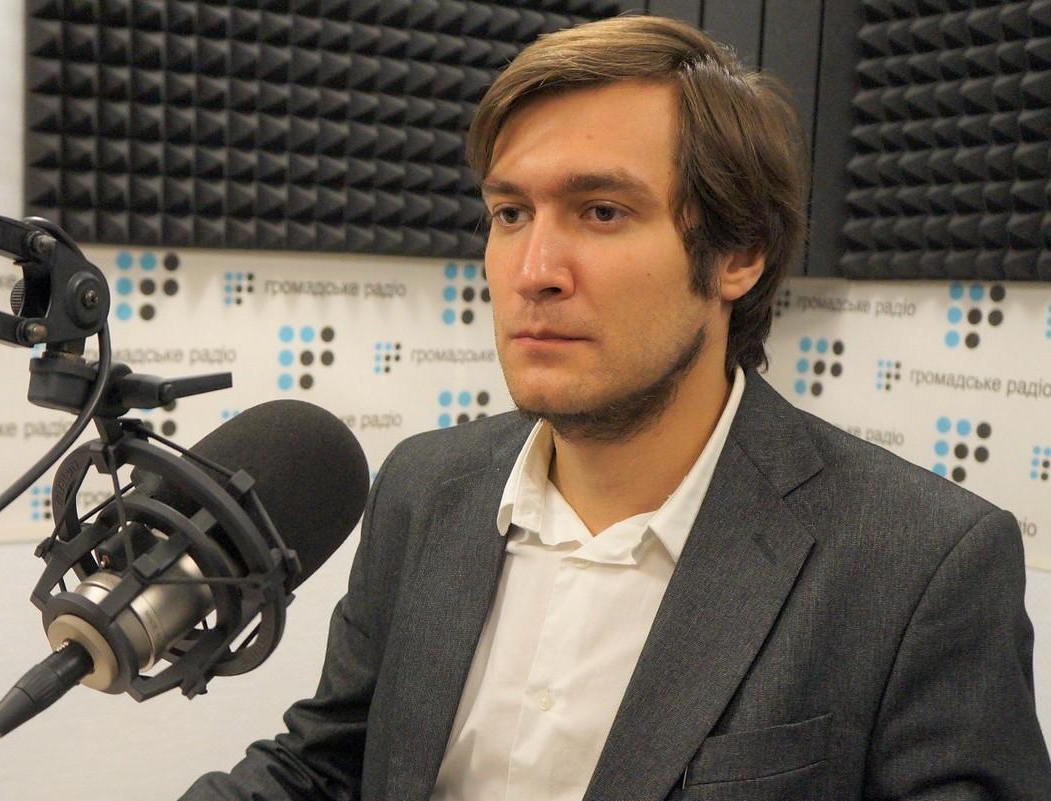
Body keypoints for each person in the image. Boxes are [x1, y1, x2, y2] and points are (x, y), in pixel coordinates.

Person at [182, 15, 1051, 800]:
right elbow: (329, 764)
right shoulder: (423, 485)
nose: (534, 271)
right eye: (510, 213)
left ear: (738, 254)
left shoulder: (921, 564)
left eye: (601, 211)